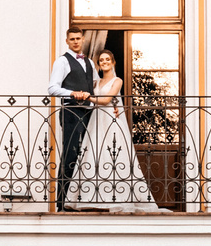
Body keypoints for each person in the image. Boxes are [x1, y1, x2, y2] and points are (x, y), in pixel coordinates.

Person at [66, 49, 160, 212]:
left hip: (110, 119)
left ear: (113, 62)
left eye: (107, 59)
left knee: (113, 155)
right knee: (95, 153)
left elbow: (106, 99)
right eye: (101, 60)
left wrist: (87, 97)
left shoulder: (117, 81)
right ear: (99, 64)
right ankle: (93, 198)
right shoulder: (96, 82)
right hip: (97, 119)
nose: (104, 62)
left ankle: (117, 197)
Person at [49, 26, 96, 209]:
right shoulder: (62, 61)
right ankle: (61, 204)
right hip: (71, 112)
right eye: (72, 39)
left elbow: (96, 87)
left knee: (88, 154)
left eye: (78, 38)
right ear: (67, 41)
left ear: (83, 39)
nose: (76, 41)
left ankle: (81, 201)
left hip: (89, 113)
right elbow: (52, 88)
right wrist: (72, 93)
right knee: (71, 154)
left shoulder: (89, 62)